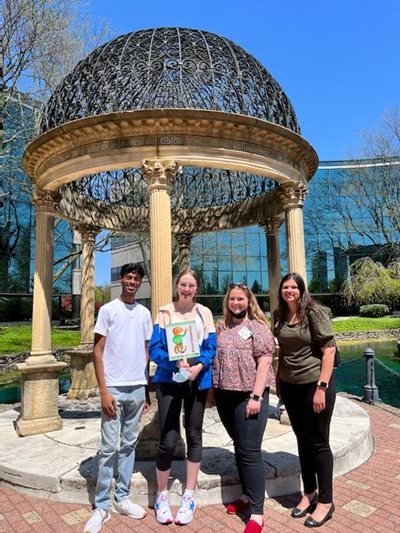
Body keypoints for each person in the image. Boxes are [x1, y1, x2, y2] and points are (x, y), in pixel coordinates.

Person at [84, 263, 153, 533]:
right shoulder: (108, 310)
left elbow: (145, 353)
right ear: (121, 280)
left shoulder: (145, 313)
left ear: (139, 282)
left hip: (136, 387)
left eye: (136, 278)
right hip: (113, 387)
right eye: (128, 277)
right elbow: (97, 352)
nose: (132, 282)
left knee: (128, 445)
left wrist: (146, 389)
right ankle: (102, 506)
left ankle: (122, 497)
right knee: (108, 449)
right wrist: (103, 391)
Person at [149, 269, 216, 526]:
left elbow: (211, 347)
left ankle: (189, 494)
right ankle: (162, 494)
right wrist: (175, 364)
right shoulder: (165, 312)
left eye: (191, 285)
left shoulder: (204, 313)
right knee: (168, 438)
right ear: (177, 286)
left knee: (194, 434)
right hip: (169, 379)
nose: (187, 289)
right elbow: (155, 348)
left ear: (196, 288)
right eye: (183, 284)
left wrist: (199, 366)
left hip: (197, 380)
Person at [274, 272, 336, 529]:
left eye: (294, 287)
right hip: (290, 386)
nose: (289, 291)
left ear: (301, 290)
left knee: (319, 442)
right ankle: (308, 492)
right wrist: (278, 381)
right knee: (302, 440)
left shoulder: (314, 312)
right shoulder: (279, 315)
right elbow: (283, 351)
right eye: (285, 287)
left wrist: (321, 387)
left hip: (314, 384)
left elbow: (329, 349)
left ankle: (325, 501)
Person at [211, 283, 275, 533]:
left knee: (250, 451)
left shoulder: (258, 328)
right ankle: (248, 497)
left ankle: (257, 514)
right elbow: (216, 360)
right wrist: (212, 393)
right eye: (232, 299)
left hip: (249, 396)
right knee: (239, 447)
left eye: (241, 299)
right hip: (225, 396)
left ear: (249, 302)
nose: (236, 303)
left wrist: (256, 397)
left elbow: (265, 362)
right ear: (227, 301)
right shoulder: (221, 327)